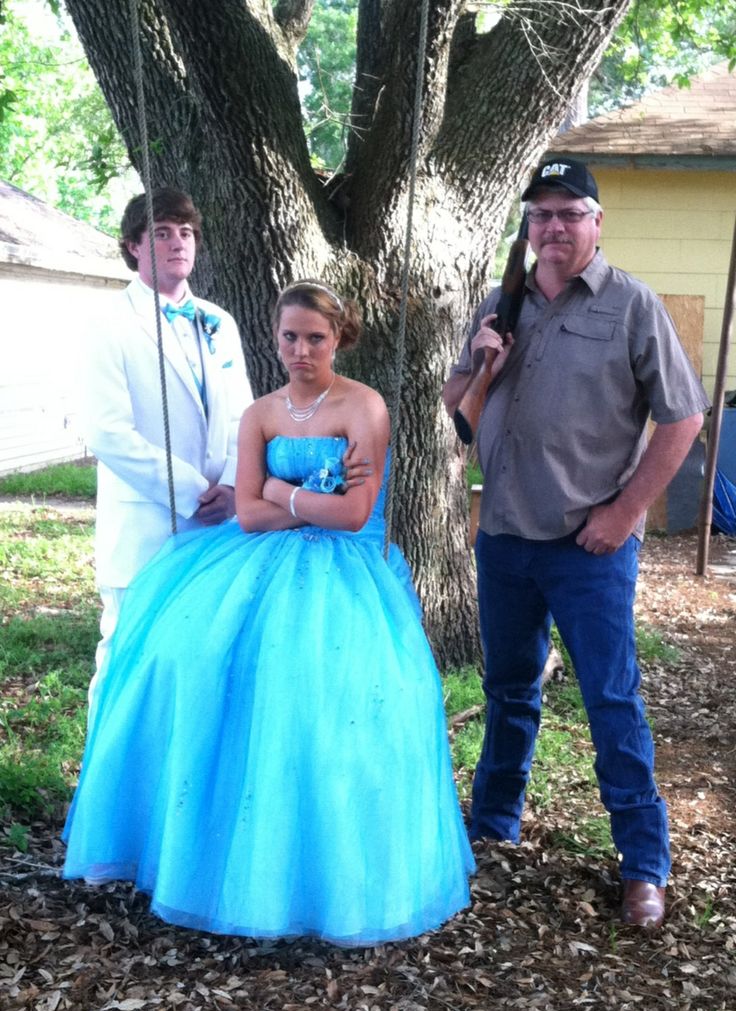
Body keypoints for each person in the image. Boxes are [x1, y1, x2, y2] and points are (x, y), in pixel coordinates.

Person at [63, 280, 475, 946]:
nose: (301, 350)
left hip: (345, 576)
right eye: (289, 337)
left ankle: (322, 875)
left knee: (324, 694)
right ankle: (208, 845)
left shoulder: (363, 406)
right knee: (192, 656)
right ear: (274, 338)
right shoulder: (259, 414)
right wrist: (296, 498)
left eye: (315, 337)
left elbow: (353, 514)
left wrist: (283, 494)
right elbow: (248, 515)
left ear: (338, 338)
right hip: (255, 562)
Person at [443, 158, 709, 931]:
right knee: (510, 690)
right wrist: (484, 363)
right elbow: (455, 409)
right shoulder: (503, 302)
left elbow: (683, 417)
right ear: (527, 227)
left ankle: (643, 865)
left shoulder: (631, 306)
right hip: (503, 538)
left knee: (610, 698)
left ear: (597, 222)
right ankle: (495, 822)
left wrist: (628, 512)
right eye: (541, 215)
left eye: (569, 213)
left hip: (587, 546)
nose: (553, 228)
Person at [79, 187, 252, 719]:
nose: (178, 243)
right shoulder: (108, 323)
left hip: (217, 530)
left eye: (186, 232)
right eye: (161, 232)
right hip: (144, 528)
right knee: (126, 663)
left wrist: (236, 488)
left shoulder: (219, 321)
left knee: (197, 664)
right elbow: (107, 432)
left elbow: (245, 416)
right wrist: (195, 491)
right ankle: (104, 793)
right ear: (133, 246)